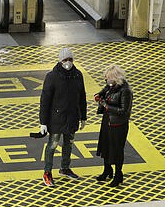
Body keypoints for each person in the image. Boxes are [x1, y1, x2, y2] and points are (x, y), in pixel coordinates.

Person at [39, 47, 87, 187]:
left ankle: (64, 168)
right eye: (65, 60)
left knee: (69, 144)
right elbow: (45, 100)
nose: (68, 62)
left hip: (72, 118)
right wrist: (43, 122)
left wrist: (83, 116)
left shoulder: (78, 75)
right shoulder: (52, 77)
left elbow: (82, 97)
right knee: (52, 145)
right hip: (56, 119)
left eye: (70, 59)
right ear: (60, 61)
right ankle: (47, 172)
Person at [94, 64, 133, 187]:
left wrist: (107, 106)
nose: (107, 81)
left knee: (117, 149)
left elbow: (124, 111)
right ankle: (107, 170)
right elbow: (104, 90)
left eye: (109, 78)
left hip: (118, 124)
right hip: (108, 120)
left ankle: (118, 174)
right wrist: (99, 95)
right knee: (105, 145)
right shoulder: (111, 86)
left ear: (116, 78)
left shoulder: (125, 90)